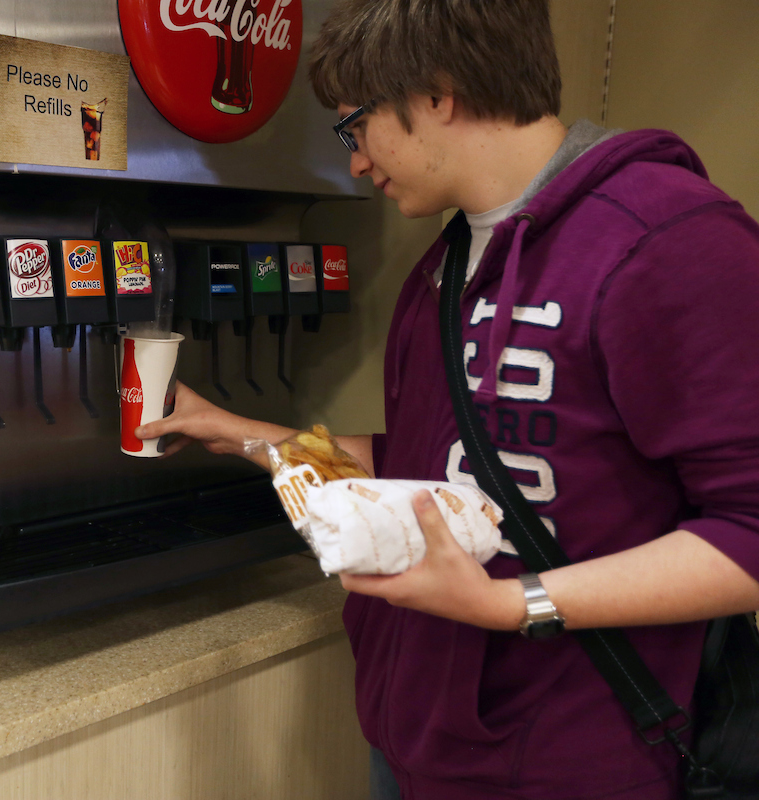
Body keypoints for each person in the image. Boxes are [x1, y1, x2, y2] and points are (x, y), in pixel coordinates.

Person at [135, 1, 759, 797]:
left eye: (354, 126)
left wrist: (510, 606)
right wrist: (245, 433)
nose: (356, 162)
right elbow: (433, 468)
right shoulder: (445, 265)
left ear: (436, 94)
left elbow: (747, 531)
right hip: (418, 744)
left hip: (575, 766)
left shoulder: (670, 241)